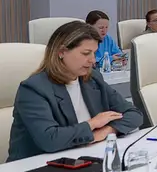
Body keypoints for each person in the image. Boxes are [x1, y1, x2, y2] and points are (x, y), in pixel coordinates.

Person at [7, 21, 143, 162]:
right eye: (86, 53)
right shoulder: (33, 89)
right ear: (61, 52)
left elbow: (134, 114)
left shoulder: (93, 78)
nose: (93, 60)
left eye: (94, 53)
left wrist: (106, 131)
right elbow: (50, 139)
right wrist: (92, 124)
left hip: (81, 159)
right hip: (36, 167)